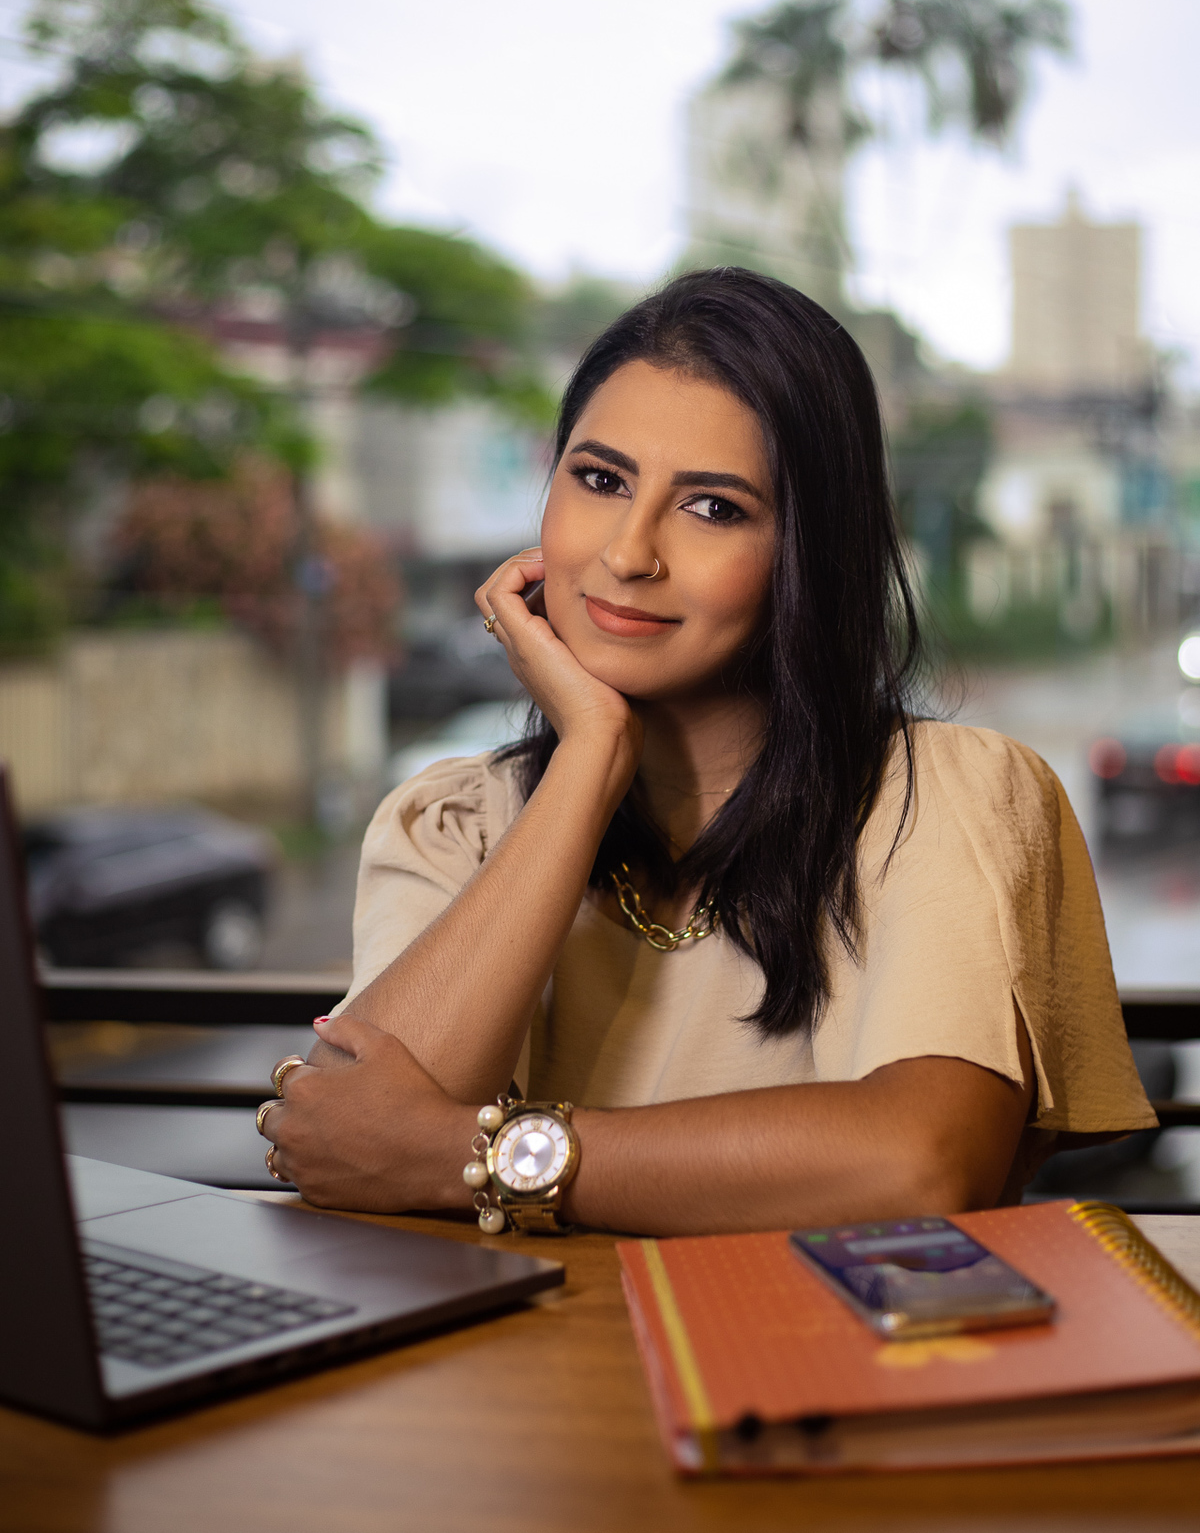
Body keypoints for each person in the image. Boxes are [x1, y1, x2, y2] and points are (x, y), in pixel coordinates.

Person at [259, 268, 1154, 1235]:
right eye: (599, 480)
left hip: (824, 1371)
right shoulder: (452, 824)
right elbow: (355, 1139)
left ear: (810, 553)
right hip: (513, 1382)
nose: (629, 554)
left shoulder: (941, 798)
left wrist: (473, 1155)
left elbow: (924, 1162)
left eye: (715, 508)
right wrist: (591, 756)